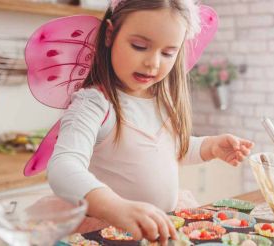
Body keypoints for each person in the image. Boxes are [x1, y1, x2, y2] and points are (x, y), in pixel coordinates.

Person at [47, 0, 254, 244]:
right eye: (139, 46)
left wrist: (209, 147)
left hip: (160, 226)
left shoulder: (160, 99)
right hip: (109, 231)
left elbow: (164, 149)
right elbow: (63, 167)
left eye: (168, 53)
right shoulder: (93, 104)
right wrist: (116, 207)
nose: (153, 63)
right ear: (111, 34)